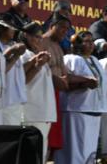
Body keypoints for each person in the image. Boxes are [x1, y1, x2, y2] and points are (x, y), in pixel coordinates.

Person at [55, 31, 107, 164]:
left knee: (89, 154)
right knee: (75, 153)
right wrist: (84, 83)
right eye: (87, 41)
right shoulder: (70, 59)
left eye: (92, 41)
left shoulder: (95, 60)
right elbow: (64, 80)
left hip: (94, 111)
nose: (91, 44)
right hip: (76, 111)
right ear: (77, 43)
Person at [18, 21, 54, 163]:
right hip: (31, 112)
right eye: (36, 36)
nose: (39, 40)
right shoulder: (23, 54)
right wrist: (37, 65)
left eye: (41, 37)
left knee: (41, 153)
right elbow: (22, 80)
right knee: (30, 155)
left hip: (44, 112)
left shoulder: (37, 54)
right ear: (26, 35)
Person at [40, 13, 71, 157]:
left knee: (52, 138)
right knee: (44, 134)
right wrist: (56, 80)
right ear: (52, 26)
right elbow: (39, 68)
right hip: (43, 94)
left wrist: (64, 79)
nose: (65, 31)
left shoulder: (58, 46)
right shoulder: (41, 42)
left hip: (57, 94)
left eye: (67, 29)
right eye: (62, 27)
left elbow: (63, 70)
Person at [0, 12, 27, 125]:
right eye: (10, 27)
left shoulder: (13, 44)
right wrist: (13, 52)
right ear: (2, 28)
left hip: (15, 101)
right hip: (3, 101)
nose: (13, 30)